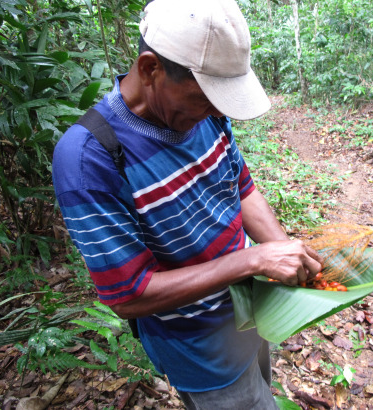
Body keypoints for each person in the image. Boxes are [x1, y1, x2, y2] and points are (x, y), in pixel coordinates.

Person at [52, 0, 323, 408]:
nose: (217, 111)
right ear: (149, 69)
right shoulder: (90, 156)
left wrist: (290, 263)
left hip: (252, 312)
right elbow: (129, 296)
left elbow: (242, 188)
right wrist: (253, 261)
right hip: (201, 349)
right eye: (206, 98)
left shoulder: (206, 115)